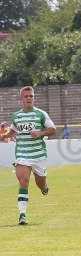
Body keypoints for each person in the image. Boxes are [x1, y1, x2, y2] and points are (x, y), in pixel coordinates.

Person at [0, 86, 56, 225]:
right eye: (26, 96)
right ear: (21, 99)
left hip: (38, 155)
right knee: (23, 181)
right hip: (22, 154)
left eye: (31, 96)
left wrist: (40, 133)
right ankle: (22, 215)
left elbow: (53, 129)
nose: (29, 98)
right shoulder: (16, 116)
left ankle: (44, 188)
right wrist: (3, 135)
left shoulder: (41, 114)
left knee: (40, 183)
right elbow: (11, 133)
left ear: (33, 98)